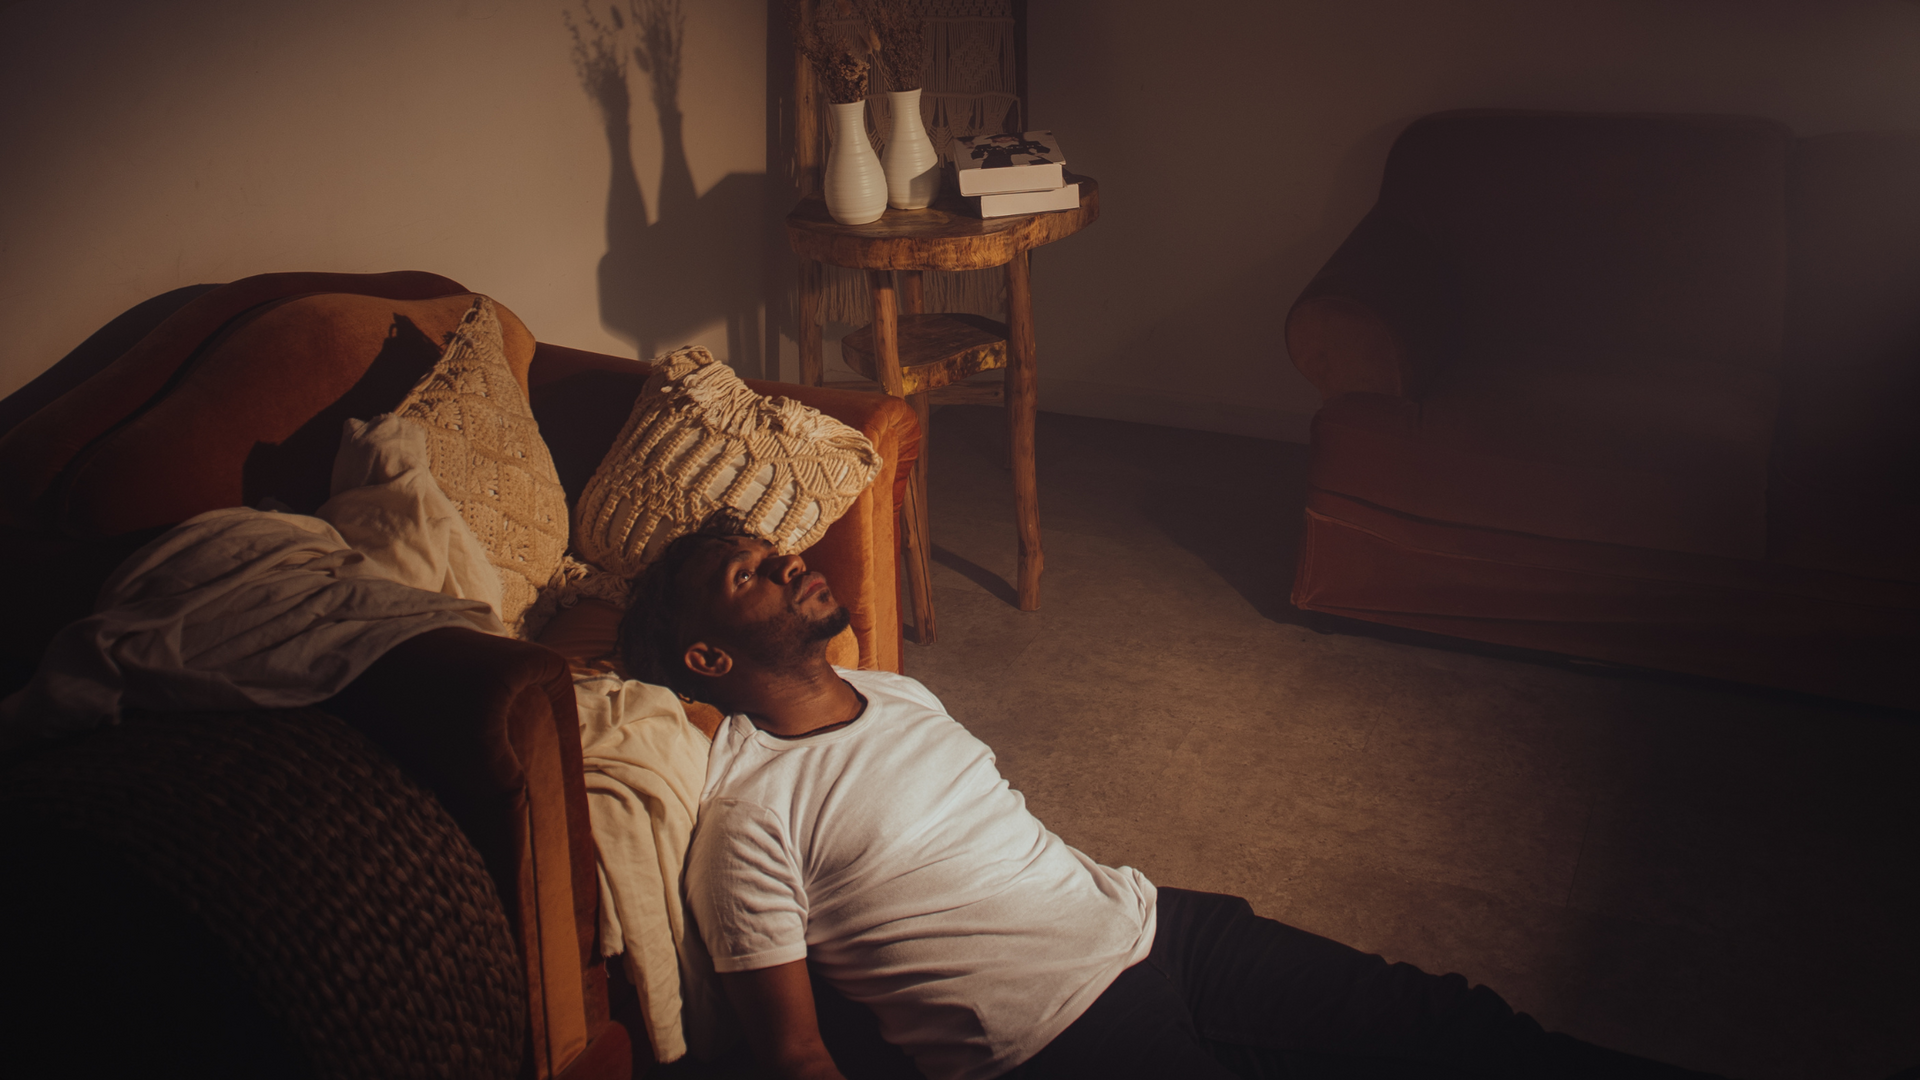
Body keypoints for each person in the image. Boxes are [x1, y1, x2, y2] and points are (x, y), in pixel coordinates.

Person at [617, 515, 1728, 1080]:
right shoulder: (750, 818)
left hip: (1160, 928)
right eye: (750, 575)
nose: (788, 561)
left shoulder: (889, 687)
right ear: (709, 661)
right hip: (1057, 1039)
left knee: (1454, 1027)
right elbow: (796, 1056)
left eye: (773, 550)